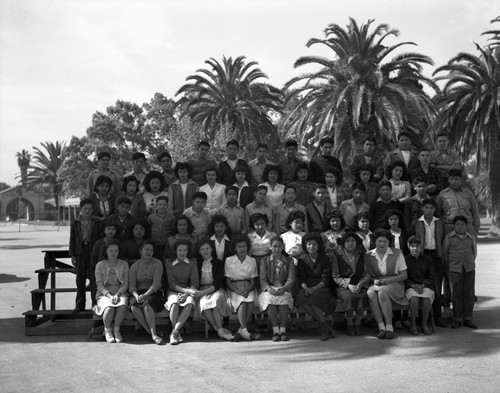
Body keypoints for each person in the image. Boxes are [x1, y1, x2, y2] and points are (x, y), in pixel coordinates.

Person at [364, 229, 408, 339]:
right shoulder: (369, 255)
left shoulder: (397, 253)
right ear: (375, 242)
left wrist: (388, 281)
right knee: (370, 292)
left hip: (395, 283)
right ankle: (381, 327)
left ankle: (389, 327)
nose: (382, 244)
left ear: (389, 242)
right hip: (377, 283)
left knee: (382, 292)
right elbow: (367, 275)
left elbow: (404, 275)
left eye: (385, 241)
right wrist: (373, 281)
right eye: (379, 241)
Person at [410, 198, 447, 327]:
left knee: (436, 287)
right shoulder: (416, 223)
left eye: (431, 208)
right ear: (422, 209)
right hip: (422, 256)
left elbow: (442, 240)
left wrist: (442, 255)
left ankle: (437, 317)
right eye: (426, 208)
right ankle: (422, 318)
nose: (429, 210)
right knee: (422, 285)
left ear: (435, 210)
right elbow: (411, 240)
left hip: (436, 256)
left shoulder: (439, 223)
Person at [295, 233, 335, 340]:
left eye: (314, 244)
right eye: (309, 244)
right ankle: (325, 325)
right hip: (306, 286)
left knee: (313, 299)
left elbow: (326, 279)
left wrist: (314, 289)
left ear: (318, 246)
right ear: (305, 245)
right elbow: (301, 278)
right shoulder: (302, 259)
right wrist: (306, 288)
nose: (311, 247)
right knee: (300, 299)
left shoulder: (325, 258)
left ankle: (323, 330)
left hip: (322, 286)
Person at [443, 216, 478, 329]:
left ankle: (468, 318)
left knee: (469, 293)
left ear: (466, 226)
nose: (460, 227)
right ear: (454, 226)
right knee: (456, 294)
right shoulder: (449, 237)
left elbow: (474, 252)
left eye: (462, 224)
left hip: (469, 268)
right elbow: (445, 253)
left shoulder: (470, 237)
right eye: (457, 224)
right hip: (454, 269)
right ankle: (457, 319)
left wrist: (469, 262)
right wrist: (452, 264)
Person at [332, 232, 370, 336]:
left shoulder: (363, 255)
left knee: (363, 295)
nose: (350, 243)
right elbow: (336, 276)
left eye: (353, 241)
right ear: (343, 243)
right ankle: (349, 322)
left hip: (359, 283)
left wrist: (360, 284)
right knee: (349, 297)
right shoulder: (337, 255)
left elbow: (367, 274)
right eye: (347, 241)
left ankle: (357, 322)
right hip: (343, 285)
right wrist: (348, 285)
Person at [224, 234, 261, 341]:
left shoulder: (252, 261)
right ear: (235, 248)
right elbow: (228, 281)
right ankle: (245, 331)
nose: (242, 249)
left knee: (250, 302)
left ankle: (241, 331)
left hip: (248, 286)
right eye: (239, 246)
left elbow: (253, 281)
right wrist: (237, 291)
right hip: (234, 287)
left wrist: (247, 290)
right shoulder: (229, 260)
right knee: (242, 303)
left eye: (244, 246)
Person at [195, 238, 233, 341]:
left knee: (216, 302)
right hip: (202, 288)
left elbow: (217, 284)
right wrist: (200, 292)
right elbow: (195, 281)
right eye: (202, 249)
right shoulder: (197, 263)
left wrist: (202, 293)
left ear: (211, 249)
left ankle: (219, 330)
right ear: (199, 251)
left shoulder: (218, 263)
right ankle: (218, 329)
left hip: (215, 288)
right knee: (204, 304)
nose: (205, 251)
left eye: (207, 248)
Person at [259, 236, 295, 342]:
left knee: (284, 299)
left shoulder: (289, 260)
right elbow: (263, 279)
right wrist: (268, 288)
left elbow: (291, 278)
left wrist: (284, 288)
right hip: (270, 288)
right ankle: (275, 330)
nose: (277, 249)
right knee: (270, 299)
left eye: (279, 246)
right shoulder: (265, 260)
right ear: (270, 247)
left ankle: (283, 330)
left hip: (284, 287)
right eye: (274, 246)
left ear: (283, 247)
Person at [129, 241, 164, 345]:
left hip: (153, 292)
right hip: (138, 293)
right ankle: (152, 333)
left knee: (146, 305)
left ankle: (153, 334)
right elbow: (132, 286)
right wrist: (136, 296)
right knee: (133, 305)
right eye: (146, 250)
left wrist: (146, 295)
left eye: (151, 250)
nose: (149, 252)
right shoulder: (134, 266)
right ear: (140, 251)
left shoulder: (157, 263)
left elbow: (156, 283)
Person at [165, 240, 200, 345]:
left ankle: (174, 332)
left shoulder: (192, 264)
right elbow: (172, 284)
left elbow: (195, 282)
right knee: (174, 303)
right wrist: (185, 291)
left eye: (185, 250)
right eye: (180, 250)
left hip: (188, 291)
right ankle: (176, 332)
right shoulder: (169, 265)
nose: (182, 252)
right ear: (175, 251)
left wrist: (187, 293)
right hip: (173, 291)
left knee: (189, 303)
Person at [94, 241, 129, 343]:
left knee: (121, 307)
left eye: (116, 251)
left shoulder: (124, 264)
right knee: (109, 308)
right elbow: (99, 285)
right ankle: (108, 330)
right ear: (106, 251)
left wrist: (118, 294)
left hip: (120, 292)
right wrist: (109, 296)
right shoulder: (100, 265)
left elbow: (125, 283)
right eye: (111, 250)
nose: (113, 253)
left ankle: (116, 330)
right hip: (104, 293)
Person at [70, 198, 101, 312]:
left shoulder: (96, 222)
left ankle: (95, 303)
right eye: (85, 208)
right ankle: (79, 305)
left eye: (90, 209)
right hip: (80, 251)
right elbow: (72, 239)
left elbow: (99, 238)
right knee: (80, 279)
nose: (88, 211)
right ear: (81, 209)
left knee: (94, 279)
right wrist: (72, 255)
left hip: (92, 251)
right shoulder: (75, 222)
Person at [404, 236, 435, 335]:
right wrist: (413, 286)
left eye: (417, 246)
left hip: (425, 286)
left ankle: (424, 324)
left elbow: (431, 276)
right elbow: (404, 277)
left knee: (426, 298)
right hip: (411, 287)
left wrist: (423, 285)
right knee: (414, 298)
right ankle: (413, 324)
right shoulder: (405, 259)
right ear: (409, 247)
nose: (415, 248)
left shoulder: (427, 259)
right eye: (412, 246)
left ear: (421, 247)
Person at [436, 169, 480, 236]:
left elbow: (475, 211)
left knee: (468, 246)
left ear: (461, 180)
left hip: (467, 227)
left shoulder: (468, 194)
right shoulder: (443, 194)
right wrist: (440, 227)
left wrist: (476, 227)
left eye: (456, 179)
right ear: (448, 180)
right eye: (451, 179)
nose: (454, 181)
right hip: (449, 227)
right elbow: (438, 212)